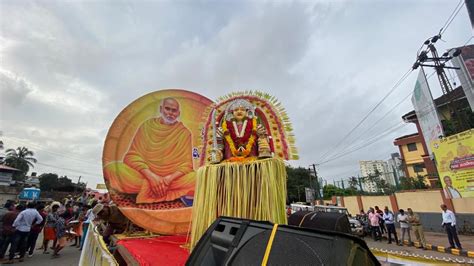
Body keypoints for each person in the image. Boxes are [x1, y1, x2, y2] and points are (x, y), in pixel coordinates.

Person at [104, 97, 196, 204]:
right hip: (144, 176)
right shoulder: (146, 126)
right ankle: (152, 187)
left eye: (174, 110)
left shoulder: (184, 133)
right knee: (111, 168)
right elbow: (131, 156)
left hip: (171, 181)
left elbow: (187, 165)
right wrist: (152, 177)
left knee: (198, 178)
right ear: (161, 109)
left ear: (178, 113)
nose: (170, 113)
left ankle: (153, 188)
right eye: (167, 109)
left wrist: (168, 179)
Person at [212, 99, 272, 163]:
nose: (239, 111)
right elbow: (219, 145)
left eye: (242, 110)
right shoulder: (224, 128)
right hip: (230, 164)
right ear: (232, 113)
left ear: (247, 113)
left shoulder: (256, 126)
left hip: (253, 163)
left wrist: (264, 151)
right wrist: (217, 155)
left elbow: (263, 139)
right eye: (236, 110)